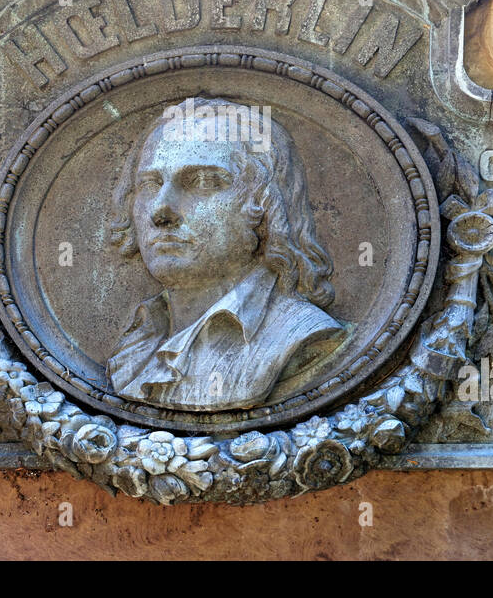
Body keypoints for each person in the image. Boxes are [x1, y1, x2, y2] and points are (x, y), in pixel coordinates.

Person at [105, 97, 345, 410]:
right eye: (151, 183)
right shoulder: (136, 346)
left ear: (263, 204)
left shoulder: (301, 337)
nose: (161, 211)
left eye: (203, 181)